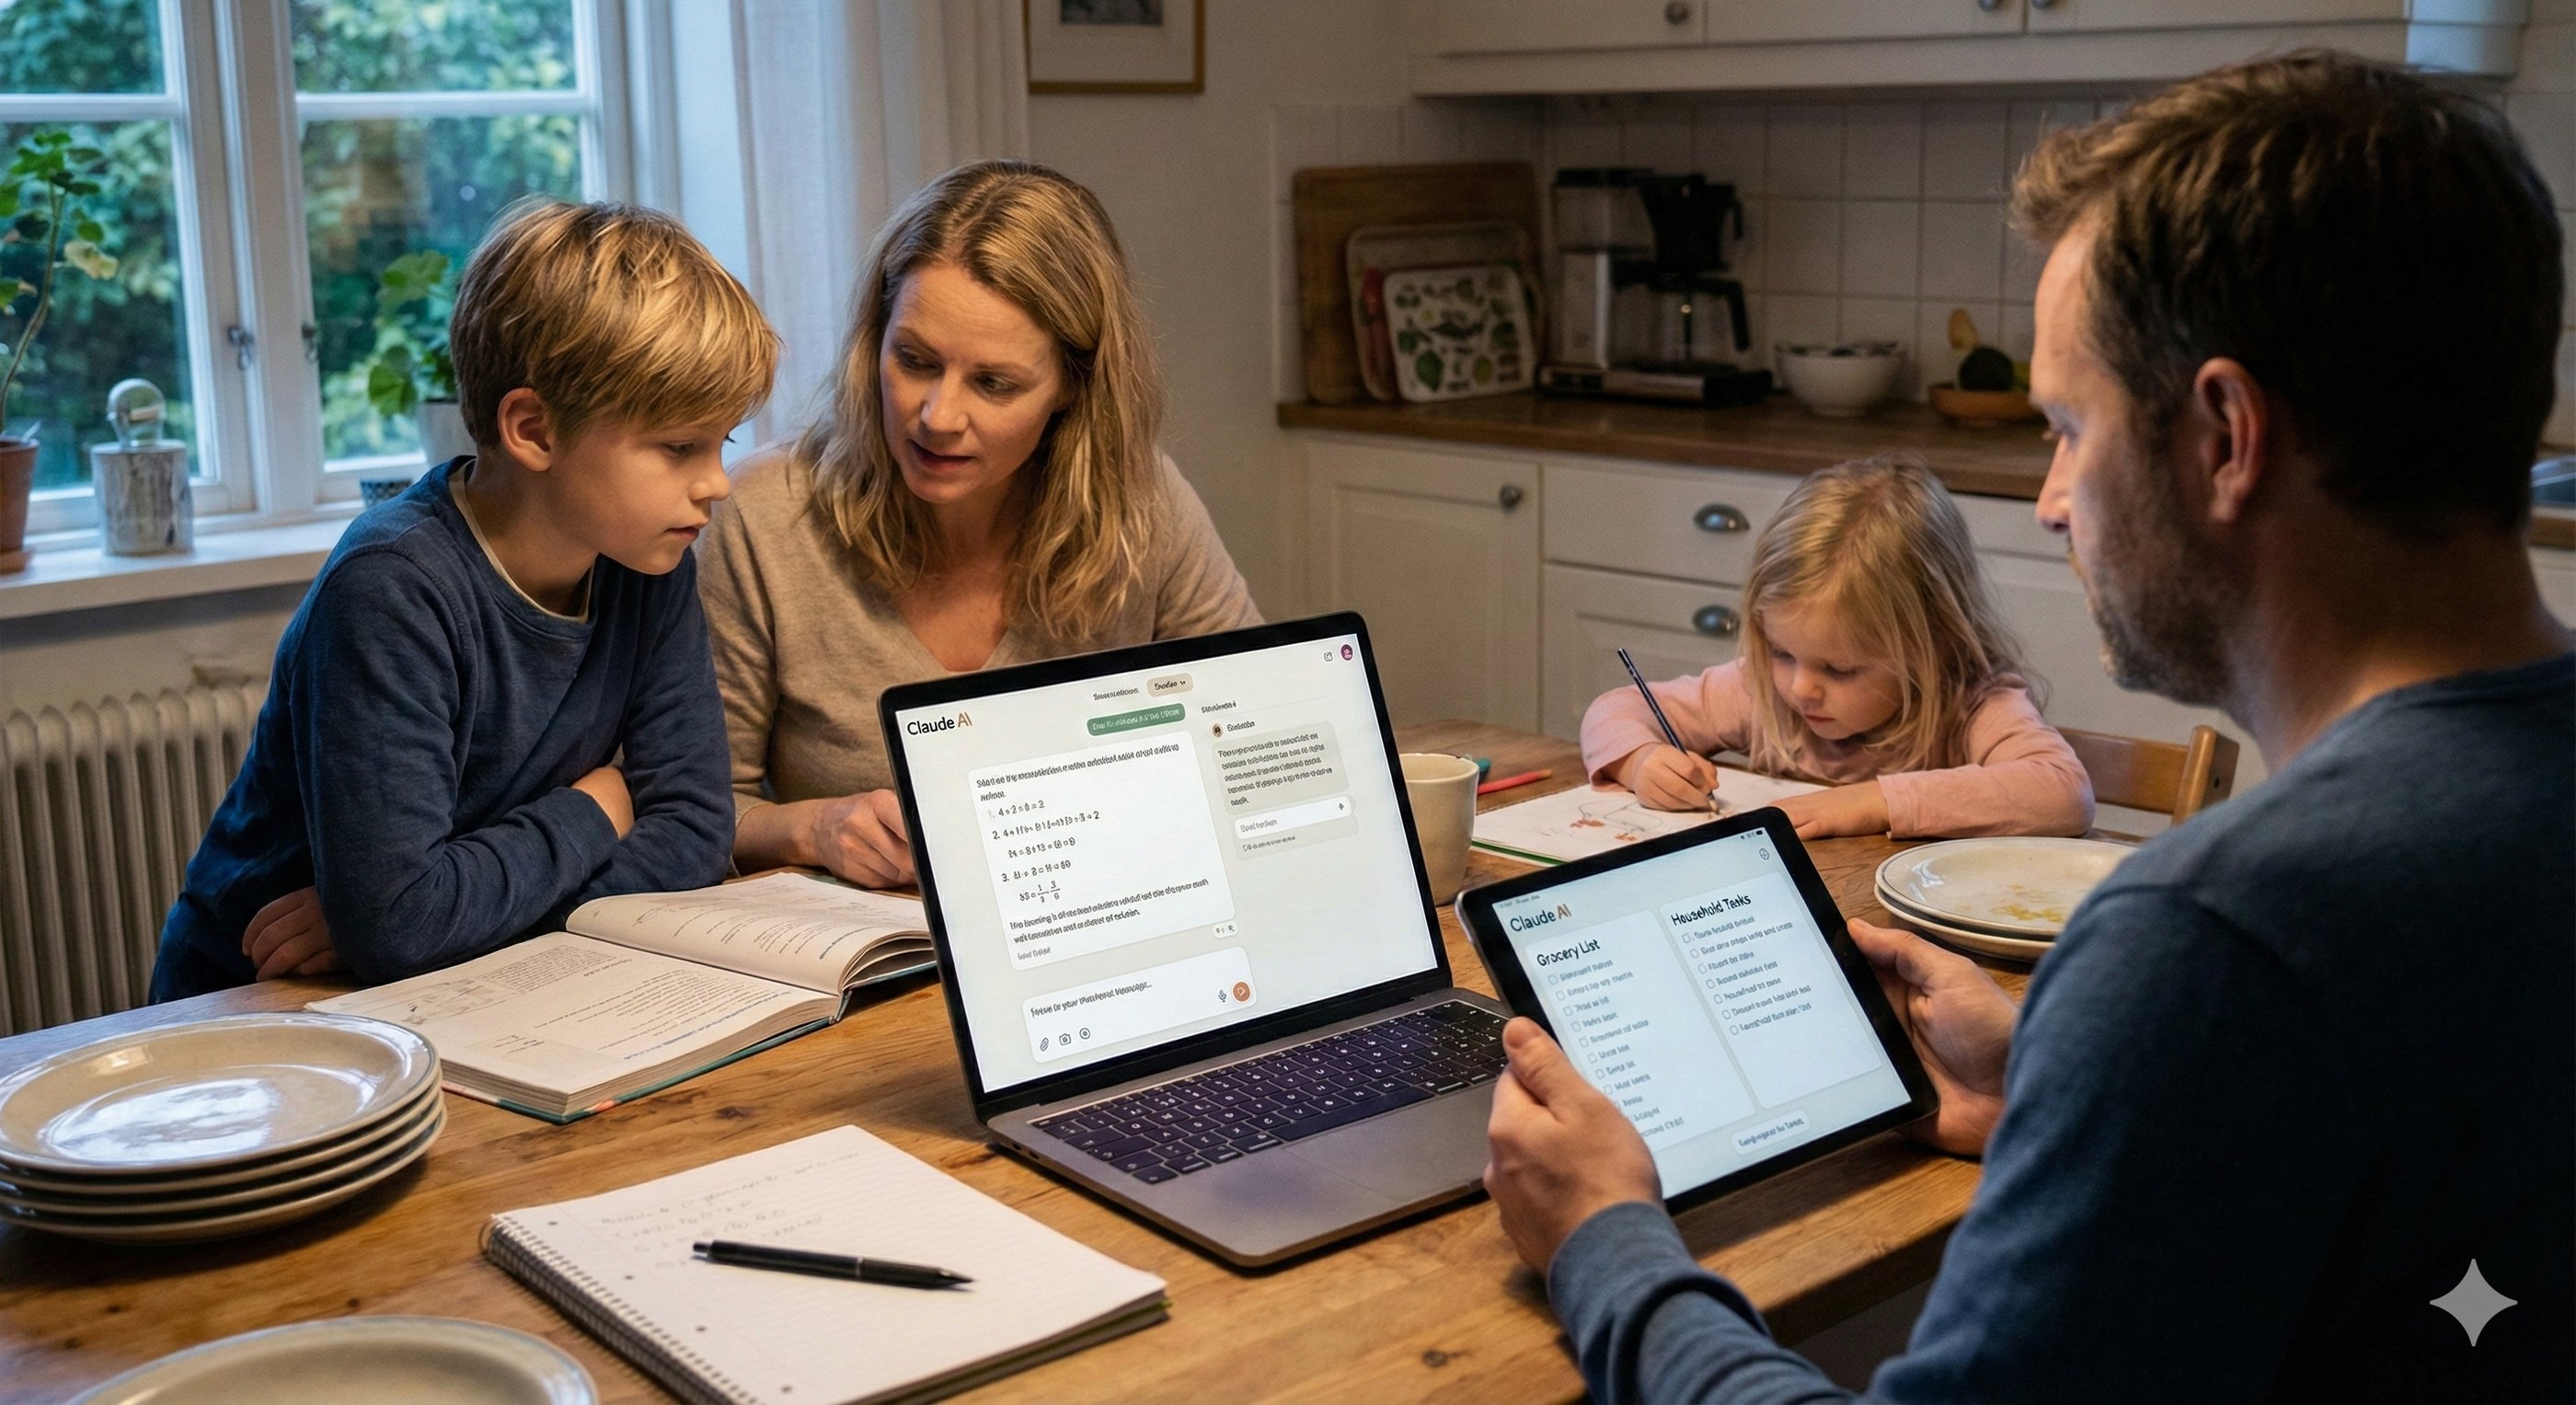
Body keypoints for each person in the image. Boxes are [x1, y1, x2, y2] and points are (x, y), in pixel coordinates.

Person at [1485, 52, 2572, 1402]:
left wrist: (1609, 1241)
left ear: (2227, 433)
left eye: (2069, 426)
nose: (2053, 497)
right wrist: (2065, 1085)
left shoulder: (2219, 941)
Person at [148, 201, 776, 1000]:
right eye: (678, 447)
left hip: (453, 983)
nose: (716, 484)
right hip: (262, 1001)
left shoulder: (651, 560)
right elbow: (404, 923)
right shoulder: (391, 585)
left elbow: (691, 838)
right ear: (534, 430)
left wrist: (435, 914)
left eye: (720, 443)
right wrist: (597, 807)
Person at [698, 160, 1259, 888]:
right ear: (876, 341)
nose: (938, 417)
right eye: (915, 360)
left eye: (994, 383)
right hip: (874, 965)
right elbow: (700, 811)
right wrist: (816, 827)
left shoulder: (1141, 503)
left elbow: (1250, 734)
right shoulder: (763, 517)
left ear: (1071, 388)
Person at [1582, 455, 2092, 841]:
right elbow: (1616, 708)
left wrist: (1872, 802)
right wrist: (1641, 761)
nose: (1801, 687)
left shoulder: (1972, 704)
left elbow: (2064, 793)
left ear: (1932, 647)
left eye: (1841, 669)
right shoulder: (1761, 693)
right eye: (1782, 653)